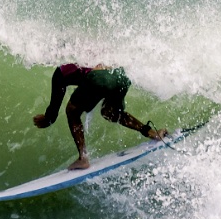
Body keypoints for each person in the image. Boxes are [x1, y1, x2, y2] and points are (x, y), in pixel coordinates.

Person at [33, 63, 165, 170]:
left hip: (98, 78)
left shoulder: (60, 72)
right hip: (122, 77)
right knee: (111, 113)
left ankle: (83, 158)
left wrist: (47, 119)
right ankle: (153, 133)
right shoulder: (89, 56)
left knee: (72, 111)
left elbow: (54, 106)